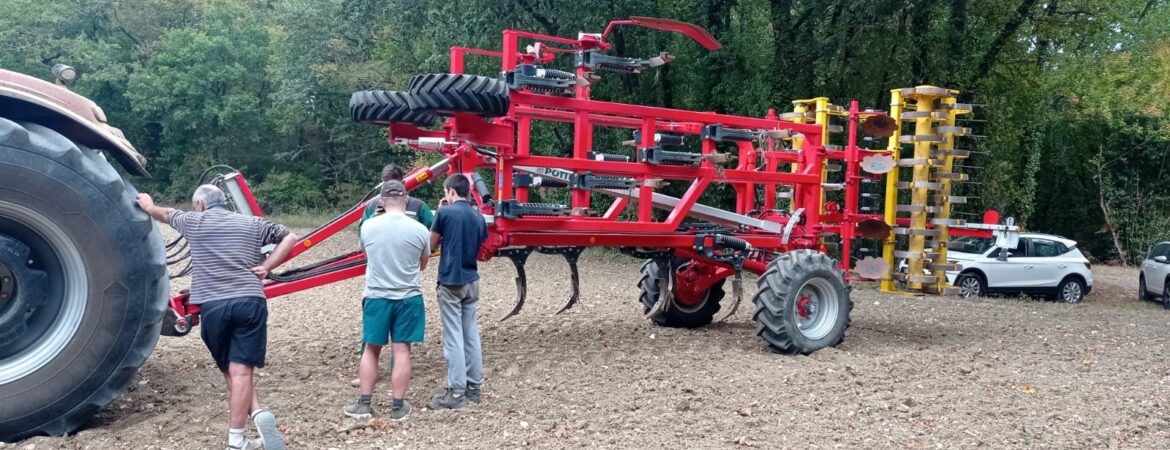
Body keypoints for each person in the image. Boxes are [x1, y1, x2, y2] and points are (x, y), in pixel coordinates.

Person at [137, 186, 297, 450]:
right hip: (250, 300)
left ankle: (240, 437)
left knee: (230, 371)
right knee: (241, 371)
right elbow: (290, 236)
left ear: (200, 204)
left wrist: (148, 204)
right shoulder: (253, 223)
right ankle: (254, 416)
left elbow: (162, 213)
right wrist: (268, 267)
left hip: (213, 305)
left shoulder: (193, 221)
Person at [343, 180, 430, 421]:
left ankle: (363, 403)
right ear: (405, 198)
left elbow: (366, 255)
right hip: (408, 297)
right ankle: (398, 406)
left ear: (381, 201)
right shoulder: (420, 229)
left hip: (376, 296)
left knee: (371, 349)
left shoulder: (368, 227)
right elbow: (423, 264)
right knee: (401, 349)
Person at [429, 175, 488, 409]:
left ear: (451, 191)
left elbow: (430, 244)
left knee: (453, 338)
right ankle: (474, 389)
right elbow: (480, 241)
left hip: (451, 281)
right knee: (471, 334)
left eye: (445, 191)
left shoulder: (445, 213)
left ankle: (456, 393)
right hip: (471, 280)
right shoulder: (478, 216)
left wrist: (437, 212)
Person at [361, 163, 433, 229]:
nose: (392, 189)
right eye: (388, 185)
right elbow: (363, 230)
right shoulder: (372, 205)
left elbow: (433, 230)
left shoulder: (419, 206)